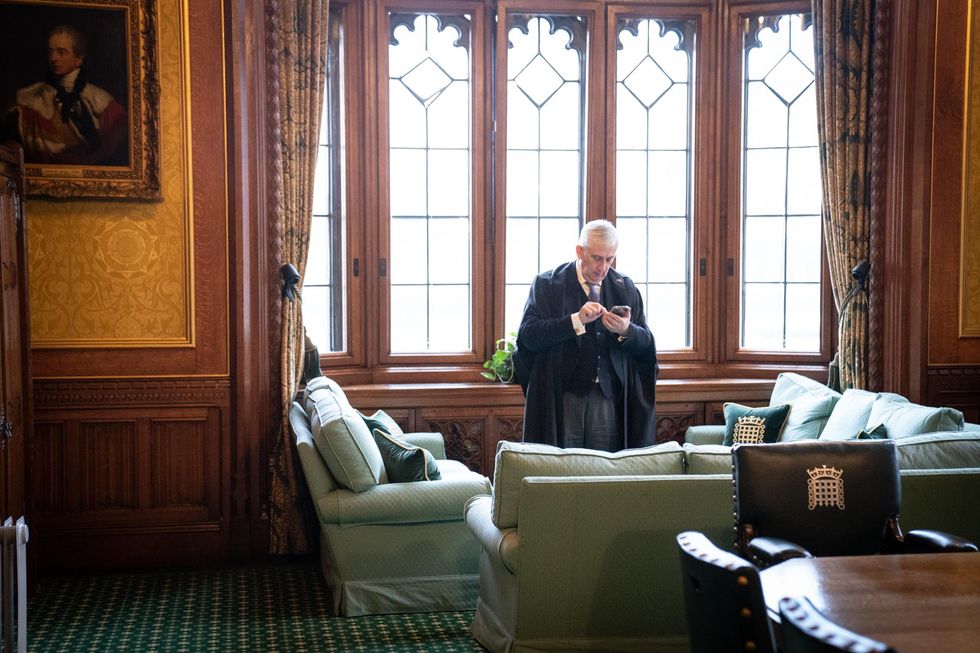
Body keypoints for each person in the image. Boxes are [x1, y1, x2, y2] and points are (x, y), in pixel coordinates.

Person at [513, 219, 659, 451]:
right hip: (563, 396)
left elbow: (647, 346)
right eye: (597, 258)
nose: (603, 268)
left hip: (608, 398)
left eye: (610, 259)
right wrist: (575, 321)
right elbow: (528, 337)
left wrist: (625, 330)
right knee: (563, 472)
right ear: (580, 251)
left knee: (602, 474)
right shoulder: (548, 284)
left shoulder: (625, 287)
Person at [1, 25, 127, 165]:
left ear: (78, 59)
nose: (53, 58)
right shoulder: (30, 100)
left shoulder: (101, 101)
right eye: (50, 52)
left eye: (61, 52)